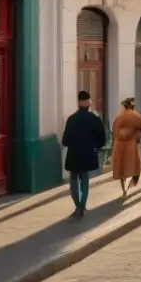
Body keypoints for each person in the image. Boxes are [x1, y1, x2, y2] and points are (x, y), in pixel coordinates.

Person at [60, 90, 107, 218]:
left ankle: (77, 206)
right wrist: (95, 146)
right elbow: (102, 139)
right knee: (85, 178)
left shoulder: (72, 119)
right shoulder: (95, 118)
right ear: (89, 102)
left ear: (78, 103)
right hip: (88, 153)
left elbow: (65, 140)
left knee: (73, 179)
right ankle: (83, 205)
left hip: (74, 154)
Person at [111, 97, 141, 197]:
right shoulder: (137, 116)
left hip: (119, 145)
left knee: (121, 167)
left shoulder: (119, 117)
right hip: (131, 144)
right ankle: (133, 181)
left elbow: (114, 130)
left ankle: (123, 190)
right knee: (135, 164)